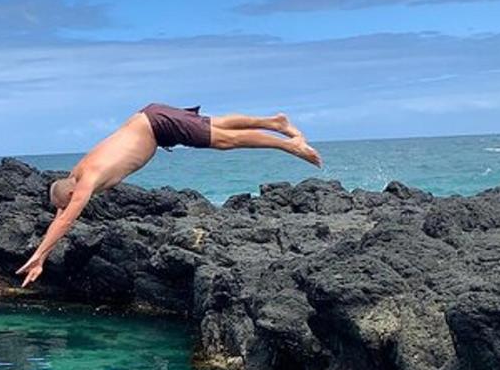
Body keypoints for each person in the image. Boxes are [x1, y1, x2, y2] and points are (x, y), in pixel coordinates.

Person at [16, 103, 323, 287]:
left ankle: (288, 144)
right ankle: (275, 122)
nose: (75, 206)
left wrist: (38, 256)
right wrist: (42, 255)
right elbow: (61, 213)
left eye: (71, 202)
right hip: (151, 117)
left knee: (224, 140)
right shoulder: (76, 174)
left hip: (156, 125)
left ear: (71, 191)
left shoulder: (86, 180)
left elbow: (66, 220)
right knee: (215, 124)